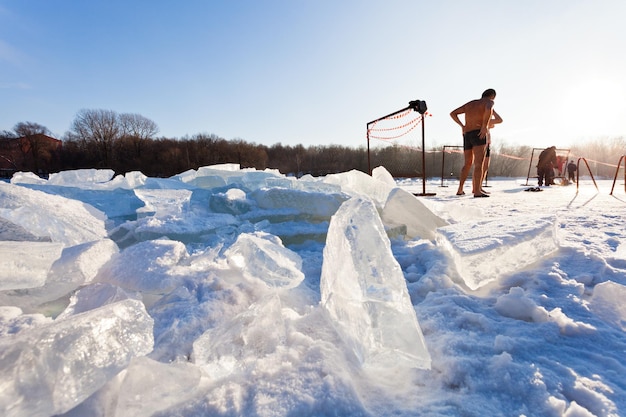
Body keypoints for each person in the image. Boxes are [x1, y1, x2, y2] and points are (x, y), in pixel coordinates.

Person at [450, 89, 502, 198]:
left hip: (467, 134)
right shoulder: (489, 102)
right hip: (478, 133)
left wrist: (462, 126)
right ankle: (477, 191)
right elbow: (488, 109)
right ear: (492, 96)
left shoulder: (470, 104)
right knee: (479, 163)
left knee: (467, 163)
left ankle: (460, 189)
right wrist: (484, 126)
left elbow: (453, 113)